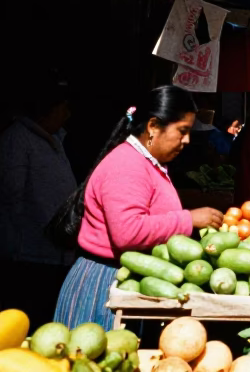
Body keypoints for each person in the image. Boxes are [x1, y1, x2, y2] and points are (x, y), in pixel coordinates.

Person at [51, 86, 225, 328]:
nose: (187, 140)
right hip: (105, 287)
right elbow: (127, 232)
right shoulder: (127, 165)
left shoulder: (145, 163)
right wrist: (188, 219)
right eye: (182, 131)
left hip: (128, 283)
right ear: (153, 126)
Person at [0, 75, 77, 324]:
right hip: (29, 253)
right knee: (27, 318)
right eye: (63, 108)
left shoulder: (54, 138)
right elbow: (12, 194)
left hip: (54, 250)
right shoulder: (18, 138)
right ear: (46, 110)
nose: (67, 114)